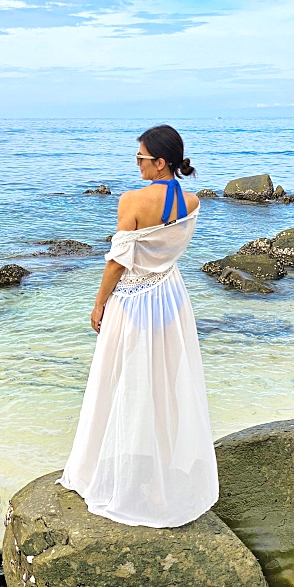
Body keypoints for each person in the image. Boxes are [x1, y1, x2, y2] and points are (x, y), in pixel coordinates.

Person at [55, 123, 218, 528]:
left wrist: (99, 303)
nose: (137, 163)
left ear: (161, 162)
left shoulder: (131, 200)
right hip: (171, 297)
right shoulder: (193, 201)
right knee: (165, 384)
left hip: (133, 300)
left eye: (141, 158)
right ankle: (163, 472)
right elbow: (167, 251)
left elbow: (117, 261)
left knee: (120, 382)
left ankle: (118, 476)